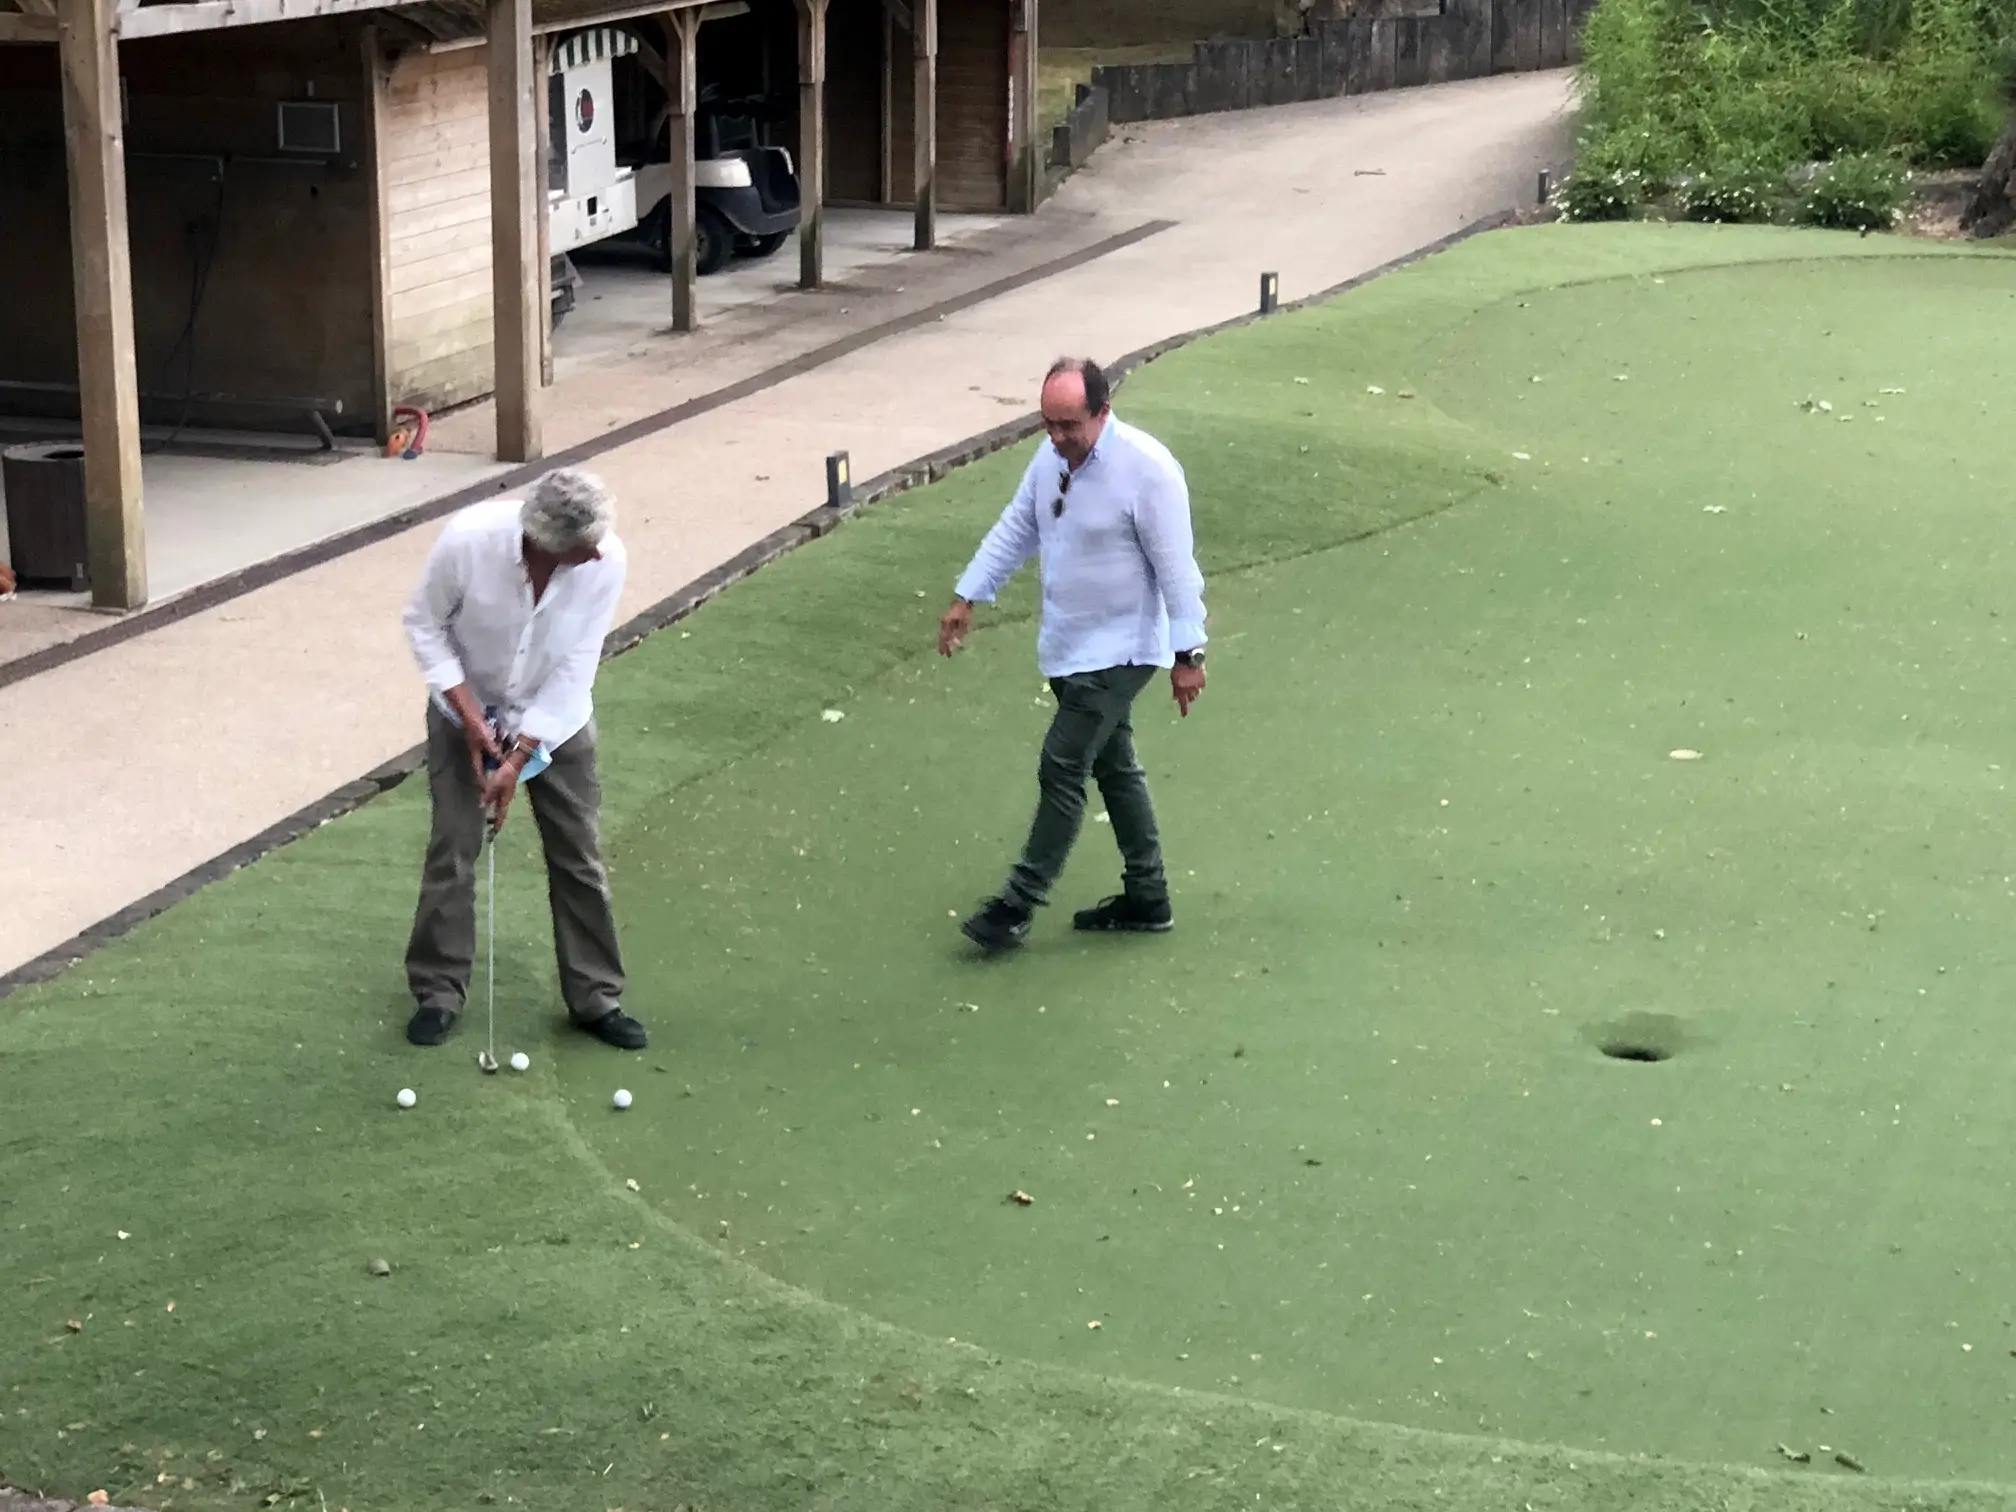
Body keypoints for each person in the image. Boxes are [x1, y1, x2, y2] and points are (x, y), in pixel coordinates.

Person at [939, 356, 1209, 953]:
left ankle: (1017, 903)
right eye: (1048, 424)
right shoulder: (1051, 460)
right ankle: (1148, 895)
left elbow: (1177, 570)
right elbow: (1018, 526)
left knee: (1062, 764)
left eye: (1069, 425)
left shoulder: (1149, 471)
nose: (1058, 437)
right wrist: (968, 594)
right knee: (1113, 765)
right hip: (1069, 646)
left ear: (1102, 412)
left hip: (1123, 649)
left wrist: (1189, 653)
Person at [399, 468, 647, 1050]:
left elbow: (577, 661)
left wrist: (521, 754)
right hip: (464, 701)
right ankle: (438, 991)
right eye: (583, 548)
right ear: (543, 540)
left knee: (578, 853)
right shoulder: (469, 541)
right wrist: (468, 717)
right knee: (452, 850)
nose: (596, 555)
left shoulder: (605, 559)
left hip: (558, 717)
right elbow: (423, 623)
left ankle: (595, 997)